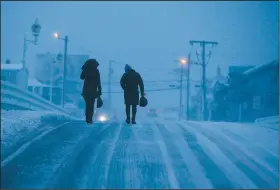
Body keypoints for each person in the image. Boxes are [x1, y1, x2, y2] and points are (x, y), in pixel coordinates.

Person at [80, 59, 102, 124]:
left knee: (87, 105)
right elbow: (98, 82)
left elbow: (81, 77)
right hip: (93, 91)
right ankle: (90, 119)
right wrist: (100, 91)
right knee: (91, 105)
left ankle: (87, 118)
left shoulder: (86, 70)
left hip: (86, 91)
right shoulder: (96, 71)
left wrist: (84, 70)